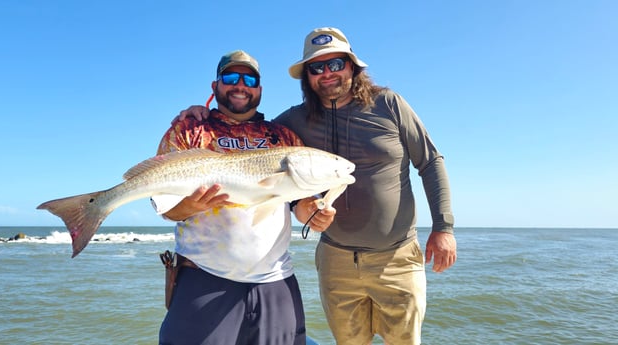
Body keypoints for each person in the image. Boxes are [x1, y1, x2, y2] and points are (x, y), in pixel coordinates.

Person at [179, 27, 457, 345]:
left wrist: (443, 227)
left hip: (396, 257)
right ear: (307, 76)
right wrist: (200, 114)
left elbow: (431, 161)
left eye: (335, 63)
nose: (326, 73)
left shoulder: (389, 105)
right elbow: (248, 124)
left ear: (352, 66)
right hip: (336, 261)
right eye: (316, 67)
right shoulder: (293, 122)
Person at [154, 50, 336, 345]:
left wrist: (315, 213)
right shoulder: (190, 130)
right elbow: (166, 208)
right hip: (205, 278)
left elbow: (298, 203)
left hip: (275, 279)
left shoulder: (282, 137)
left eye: (249, 78)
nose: (240, 85)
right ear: (215, 86)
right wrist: (190, 206)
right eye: (230, 77)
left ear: (259, 89)